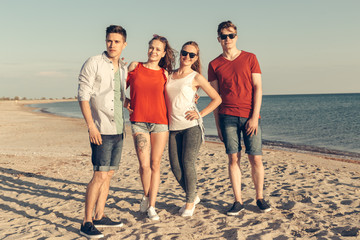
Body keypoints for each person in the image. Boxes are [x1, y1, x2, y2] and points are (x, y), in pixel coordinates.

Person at [208, 21, 271, 215]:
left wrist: (254, 117)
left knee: (256, 159)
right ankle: (238, 201)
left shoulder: (250, 58)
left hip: (250, 116)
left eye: (231, 35)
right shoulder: (214, 64)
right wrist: (217, 126)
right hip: (227, 117)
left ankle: (259, 198)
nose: (228, 39)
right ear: (218, 39)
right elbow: (215, 98)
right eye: (224, 36)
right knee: (233, 159)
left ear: (236, 36)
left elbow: (258, 88)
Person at [78, 25, 127, 238]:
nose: (112, 44)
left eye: (117, 41)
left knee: (109, 174)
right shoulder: (94, 63)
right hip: (101, 129)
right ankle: (86, 222)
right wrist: (91, 126)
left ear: (124, 44)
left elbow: (120, 97)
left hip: (119, 128)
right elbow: (83, 96)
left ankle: (100, 215)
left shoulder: (123, 67)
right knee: (98, 175)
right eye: (109, 40)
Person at [165, 41, 221, 217]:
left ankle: (190, 202)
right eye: (184, 53)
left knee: (187, 163)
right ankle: (193, 195)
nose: (187, 57)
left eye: (192, 55)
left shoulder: (196, 77)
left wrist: (200, 114)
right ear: (180, 53)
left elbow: (217, 98)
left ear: (196, 58)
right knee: (175, 166)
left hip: (191, 127)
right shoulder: (169, 75)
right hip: (173, 127)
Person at [125, 35, 176, 220]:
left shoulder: (165, 74)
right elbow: (116, 86)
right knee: (144, 165)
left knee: (155, 164)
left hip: (160, 123)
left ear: (163, 54)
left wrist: (192, 97)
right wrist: (125, 101)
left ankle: (152, 206)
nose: (153, 51)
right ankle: (146, 195)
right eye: (151, 47)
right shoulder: (134, 67)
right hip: (139, 121)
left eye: (157, 49)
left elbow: (177, 93)